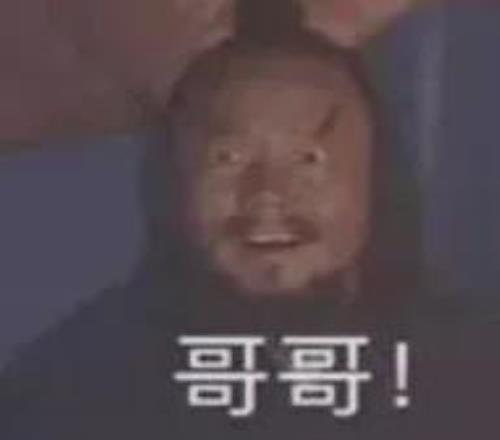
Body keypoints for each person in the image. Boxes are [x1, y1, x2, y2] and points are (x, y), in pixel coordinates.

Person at [1, 1, 498, 439]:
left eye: (308, 160)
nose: (267, 196)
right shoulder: (69, 386)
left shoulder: (474, 375)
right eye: (229, 160)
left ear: (376, 181)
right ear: (173, 183)